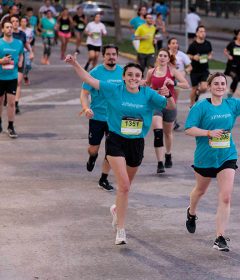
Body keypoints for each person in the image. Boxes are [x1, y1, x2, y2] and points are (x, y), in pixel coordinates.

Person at [65, 54, 176, 245]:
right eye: (130, 75)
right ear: (123, 77)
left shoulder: (148, 94)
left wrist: (168, 95)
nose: (133, 78)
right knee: (123, 185)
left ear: (141, 78)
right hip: (116, 140)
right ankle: (121, 229)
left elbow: (169, 106)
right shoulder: (114, 89)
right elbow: (89, 80)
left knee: (126, 187)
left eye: (137, 75)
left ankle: (116, 209)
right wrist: (75, 63)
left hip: (136, 143)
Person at [184, 62, 240, 252]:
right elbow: (188, 129)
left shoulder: (232, 104)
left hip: (227, 156)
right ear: (209, 87)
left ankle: (219, 237)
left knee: (226, 196)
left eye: (222, 83)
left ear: (226, 87)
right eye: (216, 83)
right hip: (205, 157)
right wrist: (209, 133)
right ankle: (191, 212)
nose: (219, 86)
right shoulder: (201, 107)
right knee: (199, 191)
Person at [80, 45, 123, 191]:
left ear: (117, 56)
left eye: (114, 54)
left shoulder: (123, 73)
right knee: (94, 148)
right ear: (103, 56)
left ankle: (103, 178)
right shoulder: (95, 72)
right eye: (108, 54)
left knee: (112, 150)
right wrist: (86, 108)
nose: (111, 57)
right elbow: (84, 93)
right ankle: (92, 157)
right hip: (97, 117)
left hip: (114, 119)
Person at [145, 48, 190, 173]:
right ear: (157, 57)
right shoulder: (151, 72)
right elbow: (147, 85)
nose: (162, 57)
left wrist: (174, 82)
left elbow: (186, 84)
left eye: (165, 56)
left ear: (169, 58)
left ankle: (168, 154)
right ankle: (160, 163)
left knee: (168, 133)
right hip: (156, 106)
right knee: (158, 133)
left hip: (170, 105)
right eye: (160, 55)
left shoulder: (173, 71)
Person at [0, 20, 23, 138]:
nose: (9, 29)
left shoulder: (18, 43)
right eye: (6, 27)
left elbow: (21, 54)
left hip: (12, 77)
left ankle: (10, 126)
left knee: (11, 103)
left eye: (10, 27)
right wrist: (1, 61)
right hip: (0, 77)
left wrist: (21, 61)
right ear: (3, 29)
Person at [10, 15, 33, 115]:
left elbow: (26, 44)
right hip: (8, 60)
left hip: (20, 59)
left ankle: (16, 103)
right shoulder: (6, 33)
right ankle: (9, 98)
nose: (15, 23)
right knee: (9, 81)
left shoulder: (22, 34)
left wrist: (31, 52)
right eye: (13, 21)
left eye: (16, 21)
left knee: (18, 82)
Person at [167, 37, 192, 130]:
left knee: (173, 100)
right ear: (169, 45)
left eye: (176, 43)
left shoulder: (182, 55)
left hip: (177, 81)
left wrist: (185, 71)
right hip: (166, 79)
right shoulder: (166, 54)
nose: (175, 45)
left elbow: (190, 67)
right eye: (173, 43)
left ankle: (174, 121)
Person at [187, 25, 212, 107]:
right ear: (197, 33)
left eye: (204, 31)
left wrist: (210, 56)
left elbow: (210, 53)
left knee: (204, 87)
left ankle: (198, 92)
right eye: (201, 31)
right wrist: (193, 57)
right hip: (194, 70)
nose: (203, 33)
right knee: (194, 89)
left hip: (204, 70)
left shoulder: (208, 43)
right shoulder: (193, 45)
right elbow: (188, 55)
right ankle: (191, 105)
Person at [223, 29, 240, 98]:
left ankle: (231, 92)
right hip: (231, 66)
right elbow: (225, 51)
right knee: (236, 78)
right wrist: (229, 56)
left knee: (237, 80)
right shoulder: (232, 43)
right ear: (237, 36)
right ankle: (230, 93)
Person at [19, 17, 34, 86]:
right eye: (22, 21)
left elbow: (32, 38)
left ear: (27, 22)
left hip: (28, 49)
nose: (23, 23)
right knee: (21, 65)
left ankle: (25, 75)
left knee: (28, 65)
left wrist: (28, 42)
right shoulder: (17, 30)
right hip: (19, 50)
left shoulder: (30, 30)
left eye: (24, 21)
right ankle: (20, 77)